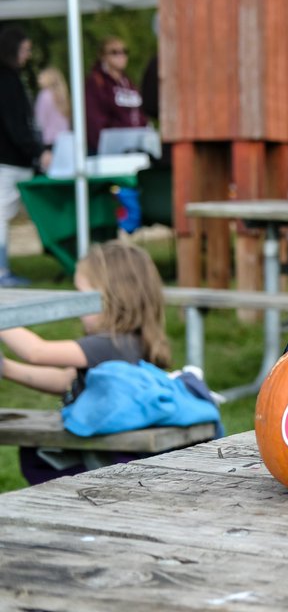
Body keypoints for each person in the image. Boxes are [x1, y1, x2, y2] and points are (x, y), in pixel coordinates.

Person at [0, 241, 172, 483]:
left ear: (112, 297)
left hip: (104, 464)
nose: (77, 308)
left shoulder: (110, 344)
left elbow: (36, 351)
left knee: (35, 451)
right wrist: (7, 368)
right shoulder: (131, 341)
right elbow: (64, 380)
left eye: (82, 297)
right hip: (112, 455)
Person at [0, 27, 50, 288]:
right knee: (1, 216)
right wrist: (36, 151)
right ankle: (1, 271)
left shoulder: (12, 78)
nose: (28, 55)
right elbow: (15, 124)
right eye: (26, 49)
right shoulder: (6, 80)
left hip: (12, 159)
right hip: (8, 160)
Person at [84, 36, 145, 154]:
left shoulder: (128, 83)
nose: (121, 56)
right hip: (109, 151)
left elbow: (140, 113)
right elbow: (94, 119)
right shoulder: (96, 83)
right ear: (103, 56)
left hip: (133, 147)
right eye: (114, 52)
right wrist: (101, 146)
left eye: (124, 52)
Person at [34, 66, 71, 147]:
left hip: (49, 142)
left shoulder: (44, 95)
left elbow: (39, 122)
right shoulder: (63, 96)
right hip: (65, 141)